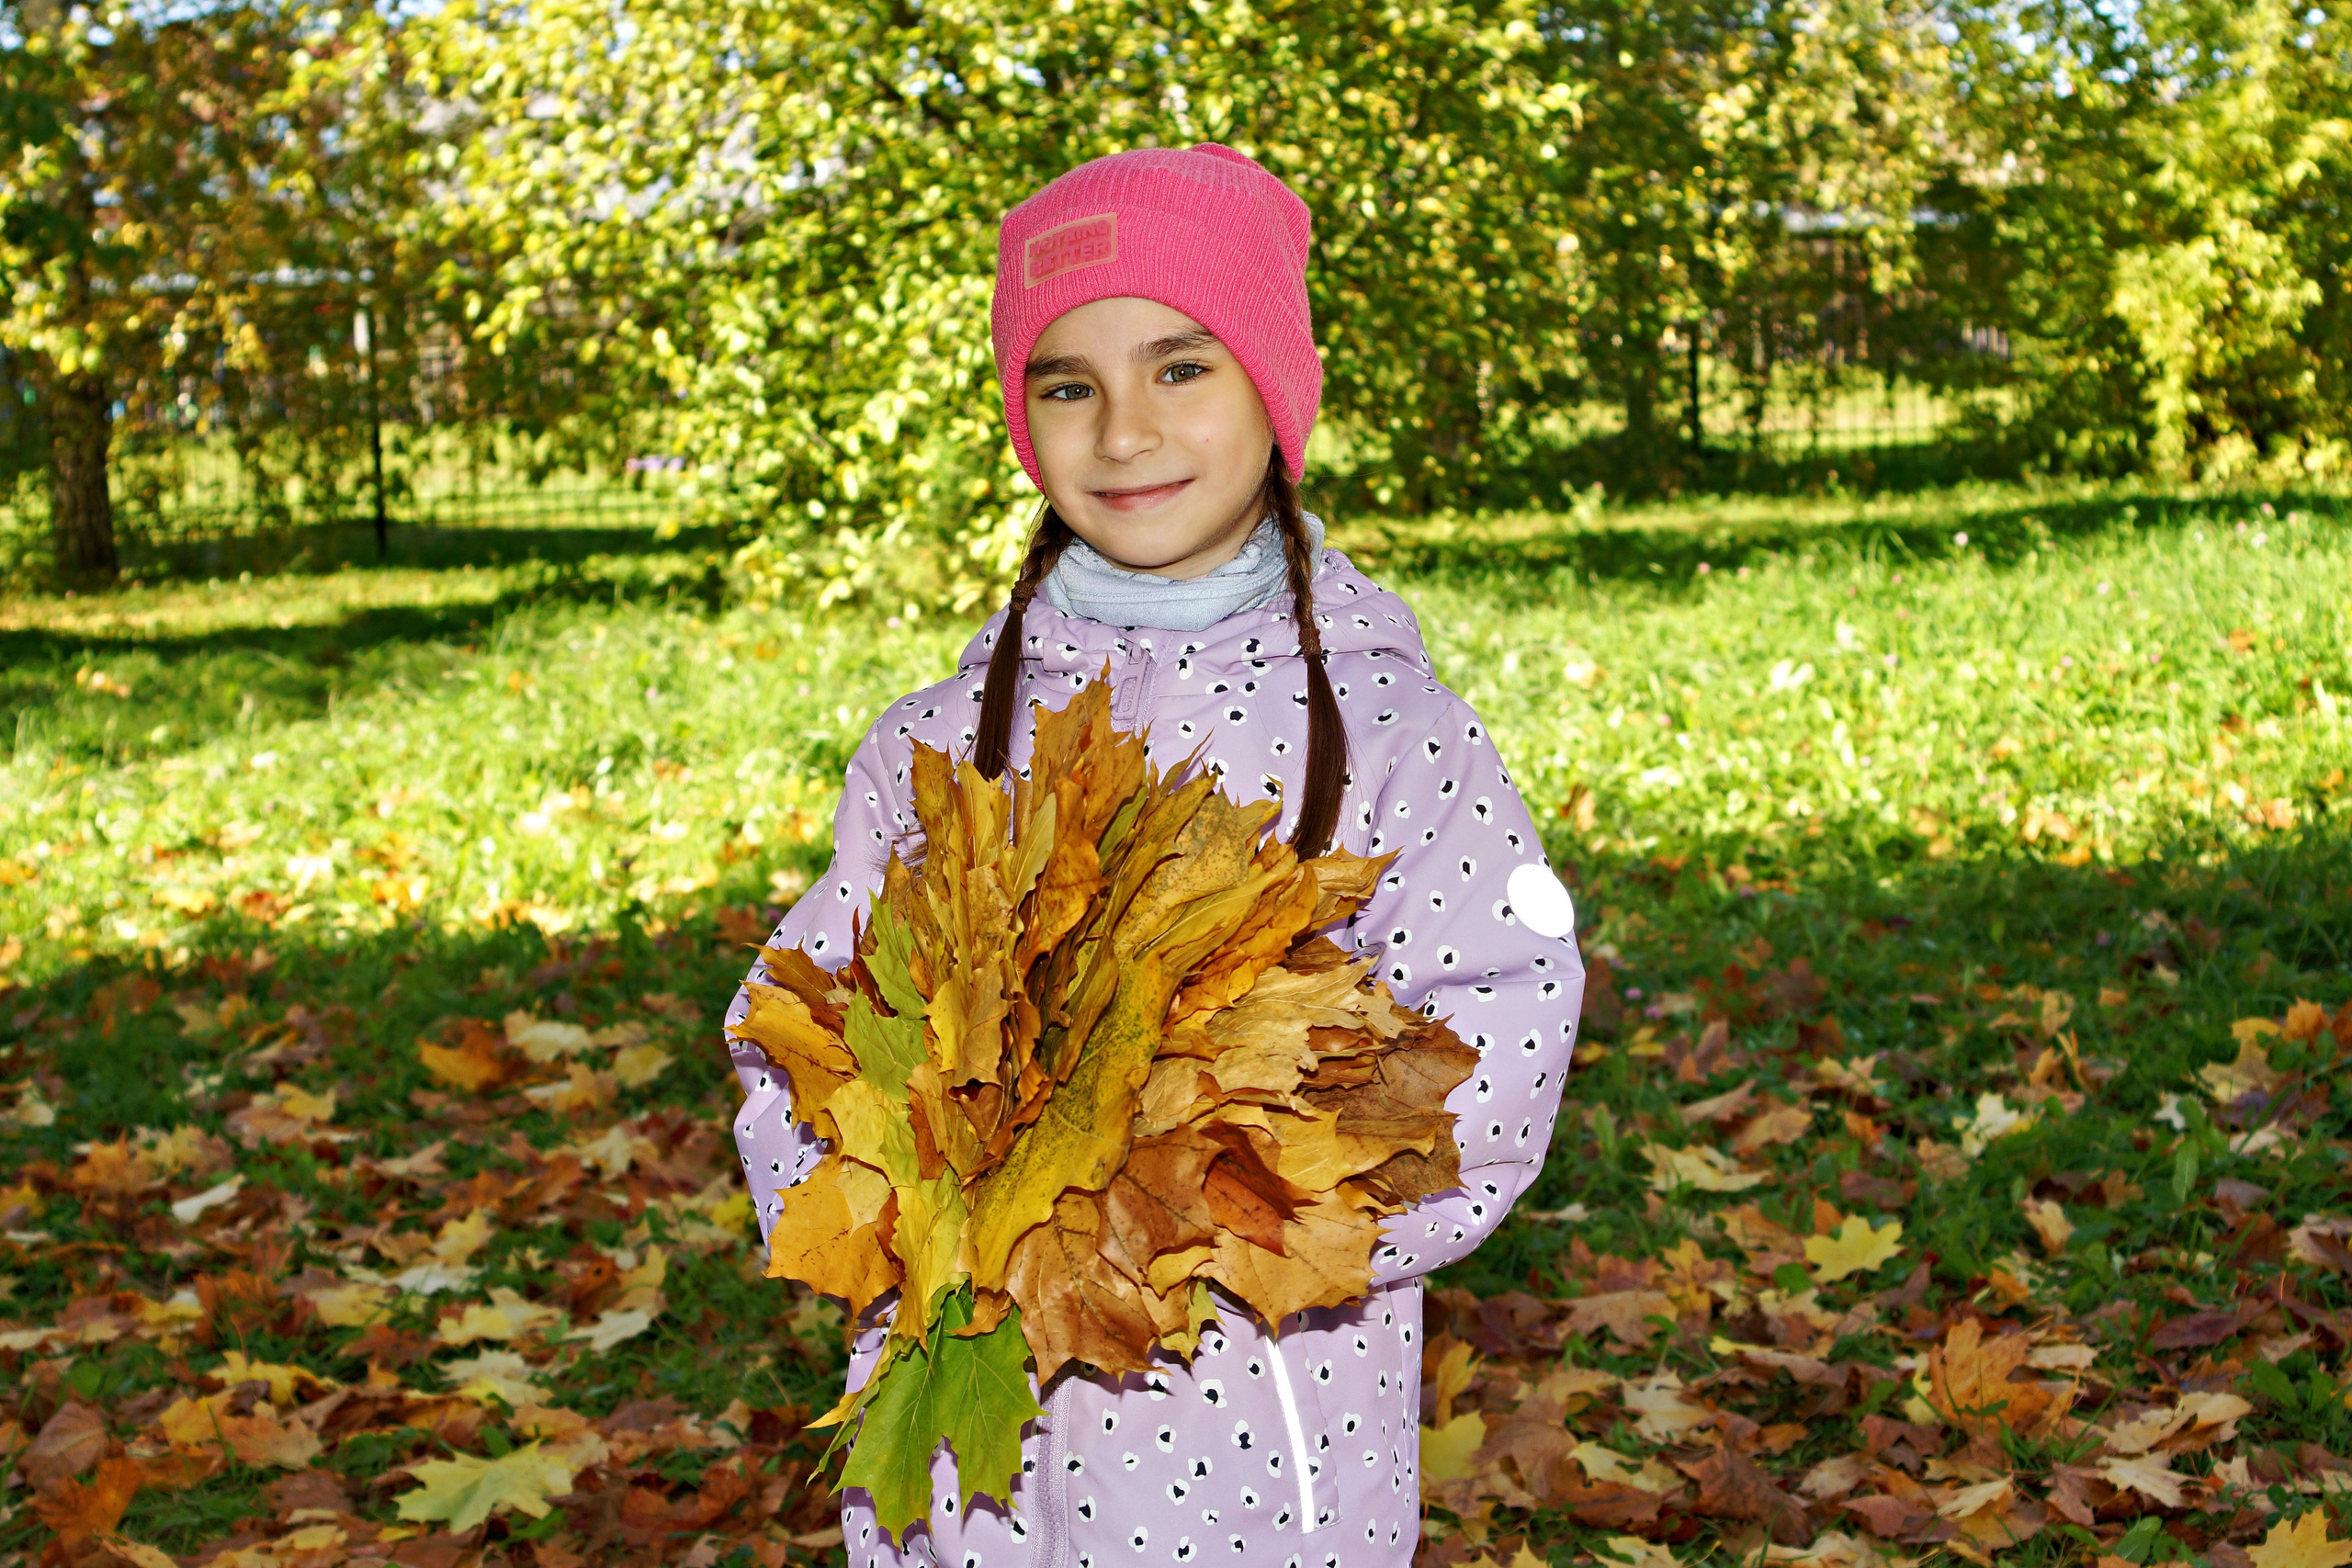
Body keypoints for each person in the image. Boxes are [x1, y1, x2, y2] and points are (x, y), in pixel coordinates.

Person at [723, 143, 1583, 1568]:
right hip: (972, 1472)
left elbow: (1502, 1009)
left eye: (1181, 368)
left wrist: (1224, 1213)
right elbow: (803, 1026)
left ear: (1275, 389)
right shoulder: (936, 748)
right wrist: (901, 1199)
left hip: (1263, 1452)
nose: (1123, 432)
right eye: (1068, 384)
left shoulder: (1387, 729)